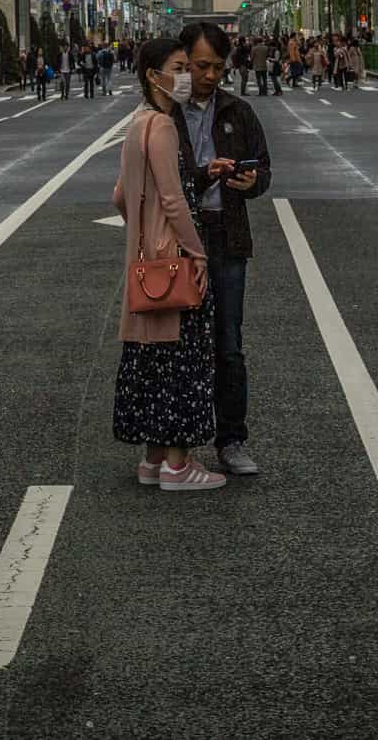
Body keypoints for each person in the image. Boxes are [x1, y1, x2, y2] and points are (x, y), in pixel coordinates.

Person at [114, 36, 227, 493]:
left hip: (142, 259)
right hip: (174, 259)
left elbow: (121, 195)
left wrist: (143, 228)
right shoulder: (162, 127)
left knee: (151, 358)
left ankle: (152, 460)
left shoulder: (136, 124)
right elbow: (174, 199)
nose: (185, 76)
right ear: (152, 75)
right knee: (184, 357)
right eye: (178, 67)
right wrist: (195, 251)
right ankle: (179, 467)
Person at [177, 21, 272, 477]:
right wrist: (204, 174)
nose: (210, 76)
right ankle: (177, 444)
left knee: (228, 344)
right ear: (183, 61)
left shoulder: (238, 110)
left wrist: (252, 181)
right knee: (177, 344)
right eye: (201, 66)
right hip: (179, 240)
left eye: (217, 67)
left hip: (227, 235)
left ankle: (232, 440)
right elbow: (162, 181)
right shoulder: (165, 114)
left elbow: (264, 169)